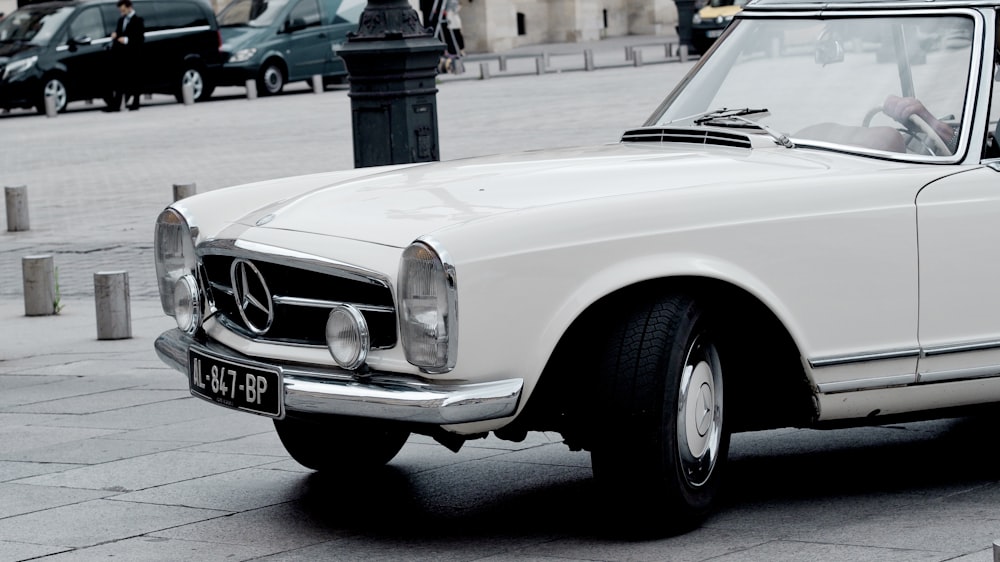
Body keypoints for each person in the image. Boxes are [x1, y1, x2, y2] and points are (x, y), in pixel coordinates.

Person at [104, 0, 144, 112]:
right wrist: (116, 35)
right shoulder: (121, 20)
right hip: (121, 56)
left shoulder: (138, 20)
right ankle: (117, 104)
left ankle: (136, 102)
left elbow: (140, 38)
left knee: (134, 80)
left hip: (133, 55)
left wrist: (126, 40)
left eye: (123, 9)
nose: (122, 12)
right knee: (120, 81)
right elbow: (119, 33)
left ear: (129, 7)